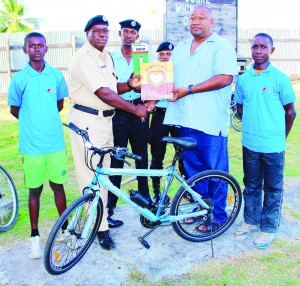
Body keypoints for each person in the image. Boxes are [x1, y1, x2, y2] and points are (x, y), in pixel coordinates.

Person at [67, 15, 149, 251]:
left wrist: (130, 85)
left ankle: (101, 219)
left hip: (105, 123)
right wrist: (136, 110)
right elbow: (104, 94)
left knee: (102, 175)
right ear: (87, 33)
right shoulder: (84, 57)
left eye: (105, 31)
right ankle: (97, 228)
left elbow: (114, 88)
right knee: (90, 178)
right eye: (97, 31)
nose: (103, 35)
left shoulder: (105, 57)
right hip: (87, 122)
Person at [163, 5, 238, 231]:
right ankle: (199, 209)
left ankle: (217, 217)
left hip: (209, 122)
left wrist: (190, 89)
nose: (196, 21)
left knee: (214, 170)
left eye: (201, 17)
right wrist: (150, 92)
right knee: (193, 170)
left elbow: (225, 78)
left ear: (211, 22)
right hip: (184, 120)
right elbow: (168, 78)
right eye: (192, 18)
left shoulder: (222, 46)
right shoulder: (181, 48)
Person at [7, 32, 68, 259]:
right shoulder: (19, 79)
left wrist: (45, 120)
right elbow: (15, 109)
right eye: (31, 46)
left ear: (46, 48)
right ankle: (34, 236)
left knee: (58, 187)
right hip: (31, 146)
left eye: (40, 45)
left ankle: (64, 229)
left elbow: (59, 104)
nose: (36, 49)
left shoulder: (55, 76)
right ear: (25, 50)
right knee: (35, 190)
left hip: (55, 143)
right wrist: (32, 123)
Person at [234, 33, 296, 249]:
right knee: (250, 185)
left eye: (263, 47)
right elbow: (240, 109)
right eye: (255, 47)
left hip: (273, 146)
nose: (258, 51)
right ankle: (251, 221)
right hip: (250, 143)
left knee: (272, 188)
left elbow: (291, 113)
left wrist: (280, 137)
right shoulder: (243, 79)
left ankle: (268, 228)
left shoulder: (280, 78)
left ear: (272, 51)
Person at [107, 19, 156, 224]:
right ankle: (109, 207)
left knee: (141, 157)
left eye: (133, 32)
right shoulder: (110, 58)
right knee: (117, 158)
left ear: (137, 36)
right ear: (119, 34)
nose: (129, 35)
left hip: (140, 111)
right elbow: (109, 88)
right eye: (125, 31)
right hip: (118, 112)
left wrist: (149, 105)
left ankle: (145, 205)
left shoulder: (145, 57)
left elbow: (157, 84)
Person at [149, 41, 186, 204]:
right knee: (157, 155)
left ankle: (187, 190)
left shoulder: (181, 71)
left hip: (177, 114)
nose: (165, 57)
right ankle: (157, 193)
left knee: (183, 155)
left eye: (168, 54)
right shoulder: (153, 72)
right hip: (160, 115)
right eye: (161, 54)